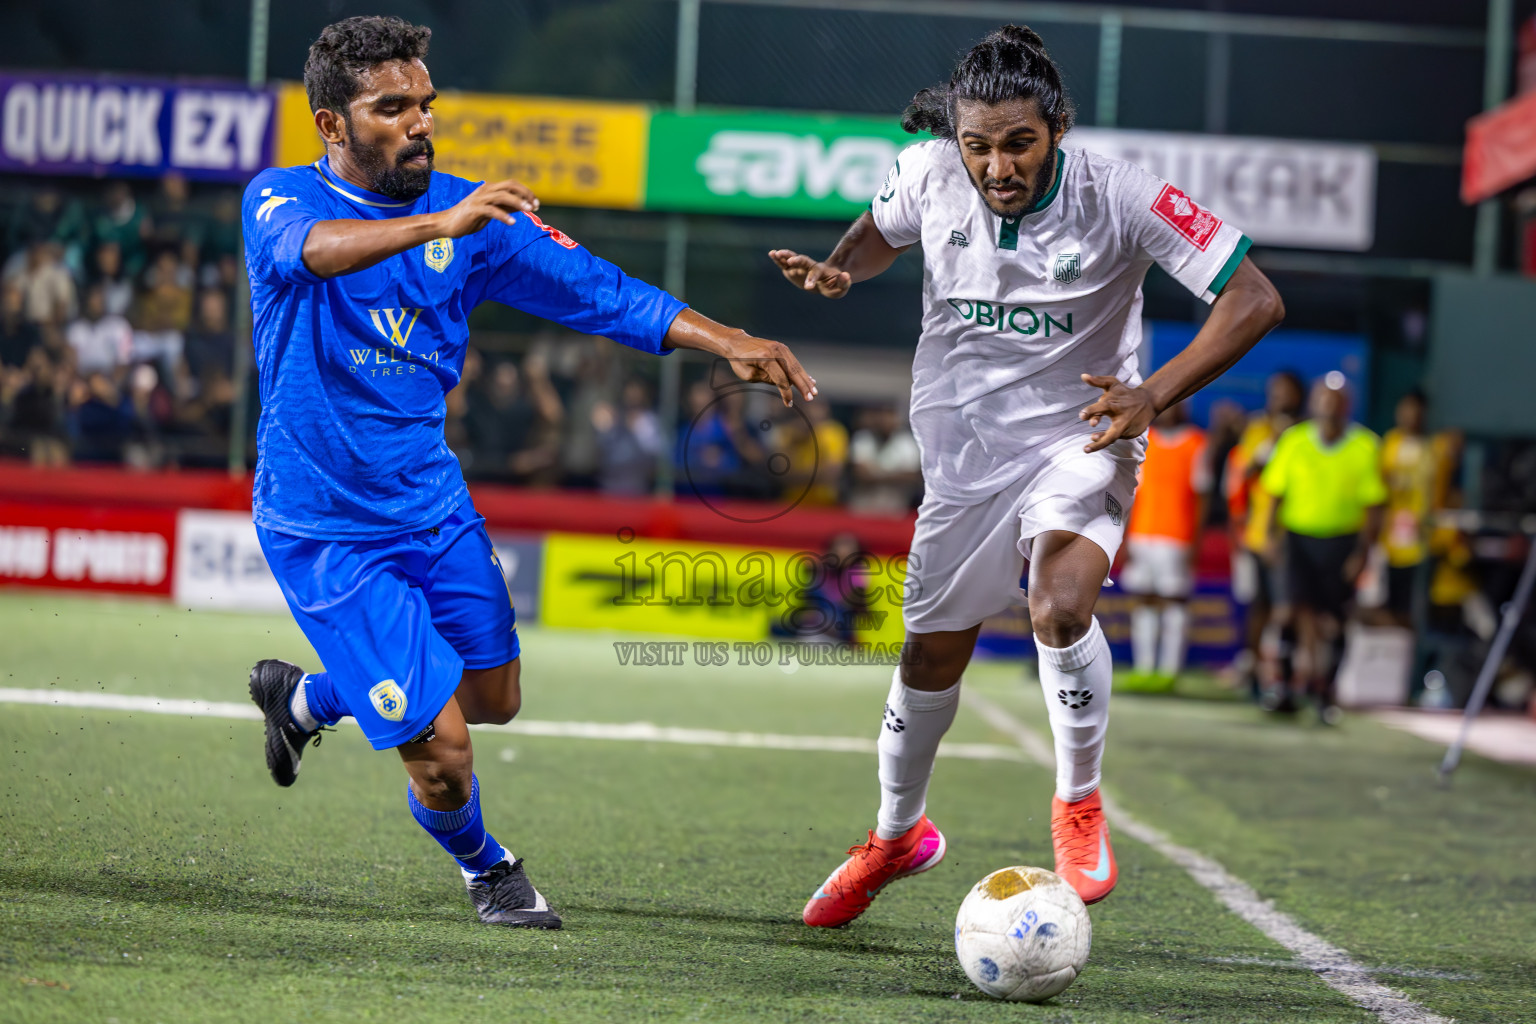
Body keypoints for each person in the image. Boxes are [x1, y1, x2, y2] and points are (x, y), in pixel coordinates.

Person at [241, 16, 815, 931]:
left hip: (431, 506)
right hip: (324, 527)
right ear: (331, 125)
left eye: (425, 104)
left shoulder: (475, 220)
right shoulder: (279, 199)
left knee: (493, 696)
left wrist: (729, 341)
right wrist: (439, 221)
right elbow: (310, 254)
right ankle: (490, 871)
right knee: (447, 754)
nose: (419, 122)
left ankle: (306, 697)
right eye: (391, 108)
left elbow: (605, 294)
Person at [768, 24, 1283, 925]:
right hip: (965, 453)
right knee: (930, 653)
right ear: (954, 140)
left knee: (1059, 602)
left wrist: (1151, 395)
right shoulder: (928, 170)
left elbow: (1255, 297)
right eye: (979, 145)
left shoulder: (1120, 194)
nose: (998, 166)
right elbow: (881, 228)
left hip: (1084, 432)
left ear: (1056, 129)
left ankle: (1078, 801)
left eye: (1018, 143)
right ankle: (897, 837)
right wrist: (840, 269)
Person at [1259, 377, 1385, 724]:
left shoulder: (1364, 446)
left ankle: (1325, 692)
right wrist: (1269, 536)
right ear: (1314, 403)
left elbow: (1374, 506)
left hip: (1342, 542)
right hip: (1298, 539)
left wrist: (1363, 554)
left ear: (1347, 405)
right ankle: (1282, 688)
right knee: (1287, 611)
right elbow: (1274, 492)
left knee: (1334, 620)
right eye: (1323, 399)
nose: (1329, 407)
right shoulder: (1295, 441)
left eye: (1336, 401)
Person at [1224, 369, 1305, 699]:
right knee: (1260, 605)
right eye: (1275, 391)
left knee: (1291, 609)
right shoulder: (1259, 429)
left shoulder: (1306, 431)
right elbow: (1248, 470)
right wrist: (1276, 440)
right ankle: (1255, 674)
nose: (1279, 397)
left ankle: (1286, 679)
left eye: (1286, 391)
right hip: (1260, 533)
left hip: (1297, 531)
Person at [1119, 401, 1210, 690]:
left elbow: (1203, 496)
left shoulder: (1197, 443)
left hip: (1177, 537)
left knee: (1174, 602)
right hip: (1143, 535)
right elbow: (1135, 493)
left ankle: (1170, 671)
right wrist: (1125, 535)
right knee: (1143, 600)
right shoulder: (1146, 441)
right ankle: (1144, 668)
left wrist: (1196, 539)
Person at [1378, 391, 1452, 627]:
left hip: (1428, 540)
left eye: (1417, 410)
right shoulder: (1391, 443)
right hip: (1393, 540)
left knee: (1421, 606)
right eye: (1406, 409)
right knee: (1394, 603)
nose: (1411, 416)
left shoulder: (1439, 446)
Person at [847, 402, 921, 515]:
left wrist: (875, 472)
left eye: (890, 416)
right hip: (862, 509)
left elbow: (911, 477)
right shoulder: (862, 438)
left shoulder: (906, 441)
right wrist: (895, 474)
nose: (885, 420)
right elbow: (862, 475)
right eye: (882, 416)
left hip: (895, 511)